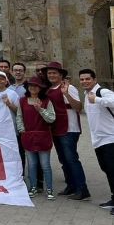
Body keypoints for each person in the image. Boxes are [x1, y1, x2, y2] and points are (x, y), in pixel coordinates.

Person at [42, 61, 89, 200]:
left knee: (72, 159)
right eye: (49, 73)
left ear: (61, 74)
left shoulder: (69, 87)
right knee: (63, 160)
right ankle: (71, 185)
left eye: (54, 73)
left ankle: (82, 189)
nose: (51, 75)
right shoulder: (49, 89)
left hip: (69, 128)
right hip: (56, 128)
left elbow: (78, 107)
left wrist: (67, 94)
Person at [78, 68, 114, 214]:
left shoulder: (102, 92)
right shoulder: (87, 95)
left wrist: (97, 99)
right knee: (107, 169)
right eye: (82, 79)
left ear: (94, 79)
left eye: (87, 79)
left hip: (110, 138)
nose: (84, 81)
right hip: (98, 140)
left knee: (112, 170)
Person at [17, 76, 56, 199]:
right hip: (28, 136)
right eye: (30, 85)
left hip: (43, 135)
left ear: (40, 88)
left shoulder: (46, 101)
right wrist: (22, 130)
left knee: (45, 165)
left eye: (35, 85)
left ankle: (49, 188)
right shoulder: (22, 101)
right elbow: (19, 116)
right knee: (32, 164)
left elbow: (51, 118)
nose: (33, 87)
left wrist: (41, 110)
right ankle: (33, 187)